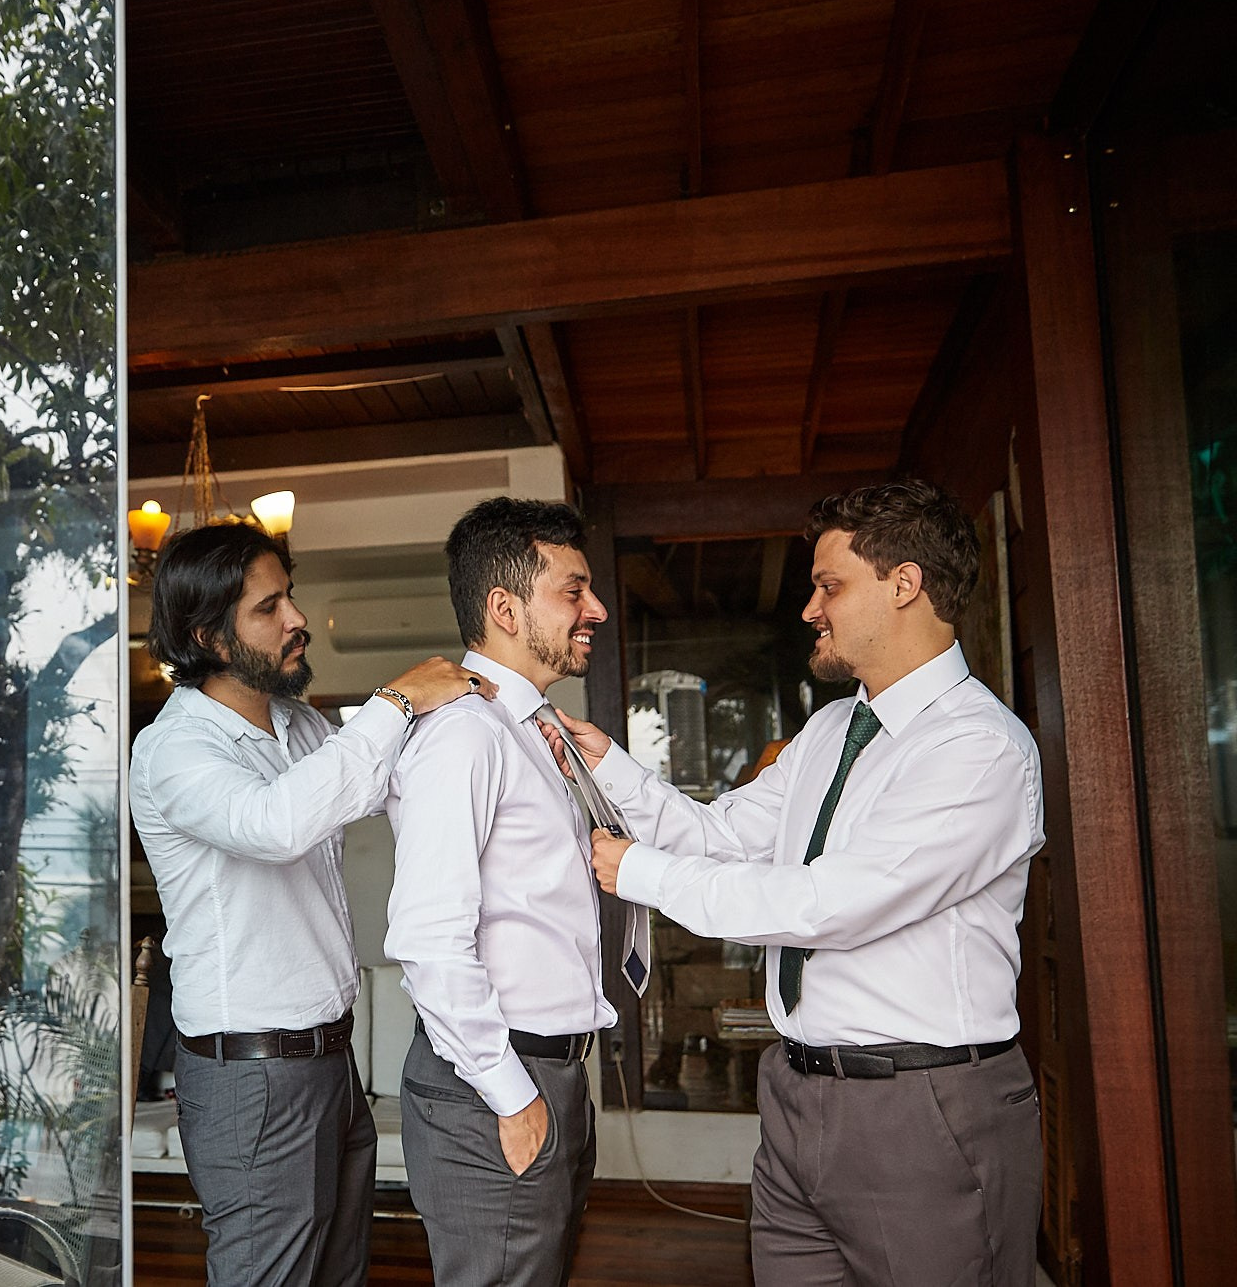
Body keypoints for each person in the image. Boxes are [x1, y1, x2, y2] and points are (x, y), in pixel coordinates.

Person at [573, 479, 1044, 1287]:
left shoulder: (980, 750)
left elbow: (834, 904)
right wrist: (605, 759)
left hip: (922, 1105)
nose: (810, 609)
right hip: (796, 1095)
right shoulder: (829, 730)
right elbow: (721, 832)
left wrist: (639, 874)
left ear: (905, 583)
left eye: (830, 585)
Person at [129, 520, 494, 1287]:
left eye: (288, 595)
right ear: (209, 635)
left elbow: (372, 786)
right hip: (252, 1079)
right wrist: (394, 699)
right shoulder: (174, 748)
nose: (296, 618)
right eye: (270, 607)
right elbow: (278, 824)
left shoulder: (300, 724)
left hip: (332, 1063)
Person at [384, 497, 616, 1286]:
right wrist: (514, 1097)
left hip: (549, 1070)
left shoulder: (533, 731)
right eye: (573, 591)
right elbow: (427, 937)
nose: (597, 609)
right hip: (493, 1083)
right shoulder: (465, 736)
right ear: (505, 607)